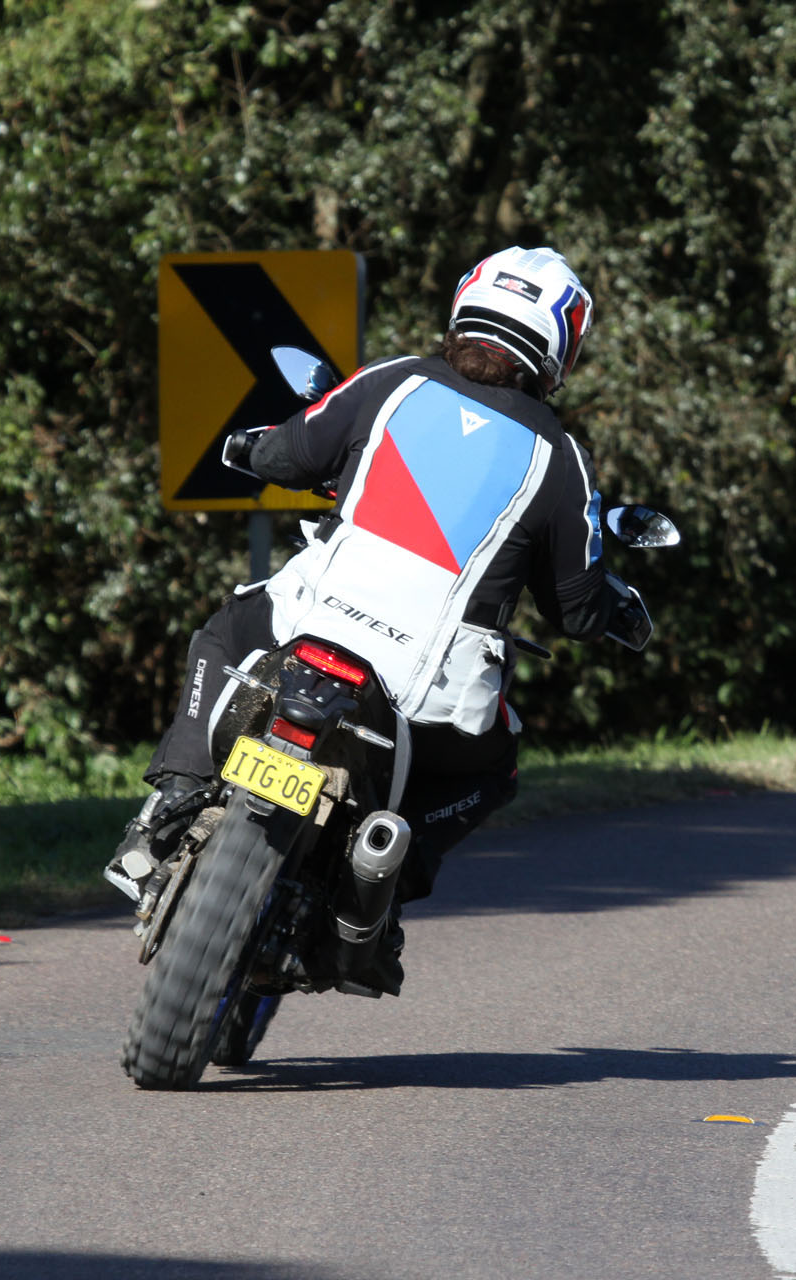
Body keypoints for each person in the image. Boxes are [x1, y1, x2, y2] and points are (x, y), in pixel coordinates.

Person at [107, 246, 616, 994]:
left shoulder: (395, 380)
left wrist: (252, 447)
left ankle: (174, 799)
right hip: (426, 692)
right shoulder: (563, 461)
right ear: (561, 346)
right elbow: (577, 609)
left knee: (222, 632)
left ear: (465, 302)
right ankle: (376, 900)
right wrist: (616, 608)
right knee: (497, 766)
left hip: (306, 628)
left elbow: (287, 454)